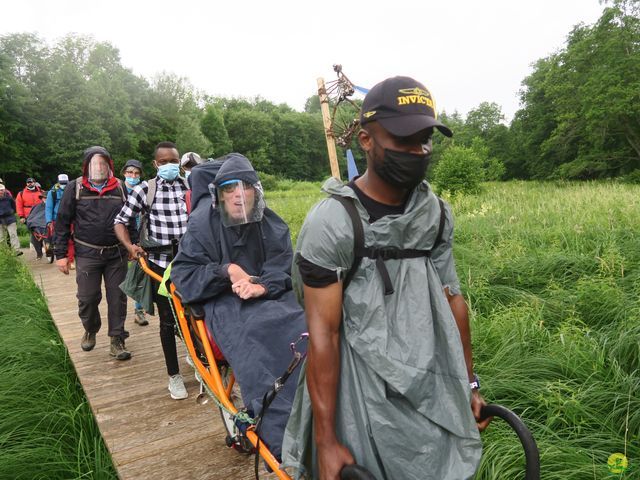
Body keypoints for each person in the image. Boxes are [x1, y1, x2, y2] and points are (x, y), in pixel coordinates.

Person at [281, 76, 490, 480]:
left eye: (425, 139)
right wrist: (326, 442)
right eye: (404, 139)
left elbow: (453, 302)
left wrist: (468, 385)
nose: (418, 151)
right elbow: (325, 332)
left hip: (430, 380)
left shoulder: (436, 215)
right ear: (365, 140)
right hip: (362, 389)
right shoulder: (333, 223)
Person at [171, 153, 307, 459]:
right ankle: (282, 434)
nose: (237, 194)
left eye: (244, 187)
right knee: (256, 339)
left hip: (269, 295)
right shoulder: (203, 222)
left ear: (254, 191)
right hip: (225, 302)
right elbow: (185, 273)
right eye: (229, 188)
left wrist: (262, 285)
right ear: (219, 194)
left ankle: (322, 412)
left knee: (307, 327)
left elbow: (282, 263)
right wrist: (227, 271)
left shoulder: (268, 220)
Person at [114, 141, 190, 400]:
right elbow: (120, 221)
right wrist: (130, 246)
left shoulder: (188, 186)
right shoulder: (146, 189)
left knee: (193, 314)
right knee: (168, 319)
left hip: (189, 263)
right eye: (165, 162)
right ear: (156, 164)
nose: (170, 165)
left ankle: (197, 356)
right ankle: (174, 376)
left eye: (174, 161)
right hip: (160, 264)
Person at [54, 146, 136, 361]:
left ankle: (117, 339)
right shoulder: (76, 187)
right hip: (87, 253)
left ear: (109, 165)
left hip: (116, 253)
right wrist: (61, 254)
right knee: (88, 298)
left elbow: (130, 219)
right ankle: (90, 328)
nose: (99, 167)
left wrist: (132, 245)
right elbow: (62, 222)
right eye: (94, 163)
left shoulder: (119, 187)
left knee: (118, 297)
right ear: (86, 166)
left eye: (103, 163)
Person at [121, 159, 149, 327]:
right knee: (121, 277)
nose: (133, 176)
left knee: (139, 274)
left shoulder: (146, 190)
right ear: (124, 173)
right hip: (121, 239)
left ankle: (139, 311)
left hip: (140, 239)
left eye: (137, 173)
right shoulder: (118, 190)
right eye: (130, 172)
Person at [46, 174, 74, 268]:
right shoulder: (53, 192)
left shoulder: (72, 191)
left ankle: (71, 260)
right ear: (58, 182)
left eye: (65, 183)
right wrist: (49, 221)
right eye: (62, 183)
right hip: (56, 219)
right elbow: (49, 208)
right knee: (59, 240)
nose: (64, 185)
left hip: (70, 218)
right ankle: (62, 258)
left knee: (70, 240)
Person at [16, 177, 45, 259]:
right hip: (29, 215)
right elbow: (19, 205)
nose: (30, 184)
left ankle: (46, 246)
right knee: (34, 233)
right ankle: (39, 253)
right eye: (28, 182)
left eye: (31, 182)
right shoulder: (21, 193)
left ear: (34, 183)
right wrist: (21, 216)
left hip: (40, 215)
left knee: (44, 232)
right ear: (26, 184)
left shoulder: (41, 192)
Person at [0, 179, 22, 256]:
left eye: (1, 190)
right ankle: (3, 252)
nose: (1, 191)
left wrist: (12, 212)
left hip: (10, 218)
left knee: (13, 235)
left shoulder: (8, 196)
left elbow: (14, 205)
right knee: (1, 238)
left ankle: (16, 250)